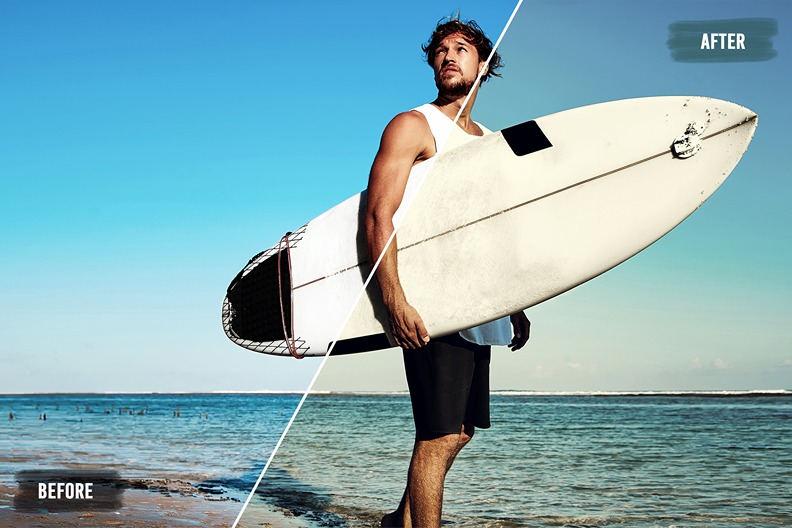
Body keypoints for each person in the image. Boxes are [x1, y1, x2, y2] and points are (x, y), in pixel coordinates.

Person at [364, 16, 531, 528]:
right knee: (436, 434)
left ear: (484, 64)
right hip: (428, 300)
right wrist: (393, 299)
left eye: (461, 49)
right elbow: (377, 215)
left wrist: (516, 303)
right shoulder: (413, 125)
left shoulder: (491, 141)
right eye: (439, 50)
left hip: (476, 305)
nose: (448, 56)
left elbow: (490, 232)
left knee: (459, 430)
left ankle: (399, 520)